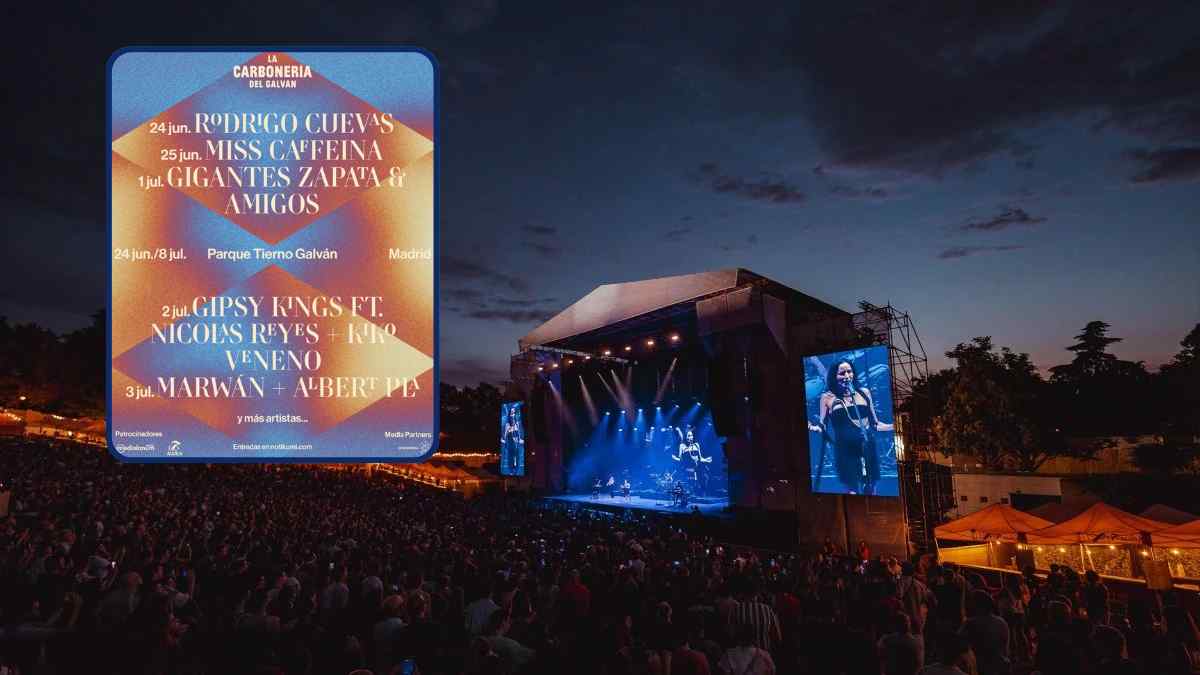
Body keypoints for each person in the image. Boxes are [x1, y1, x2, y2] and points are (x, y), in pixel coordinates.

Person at [807, 358, 894, 495]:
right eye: (842, 373)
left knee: (871, 489)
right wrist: (814, 428)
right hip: (845, 449)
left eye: (849, 372)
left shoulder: (864, 393)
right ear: (834, 376)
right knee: (852, 491)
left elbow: (876, 424)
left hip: (866, 447)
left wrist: (894, 426)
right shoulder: (828, 398)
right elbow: (822, 425)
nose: (847, 376)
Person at [960, 590, 1009, 675]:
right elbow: (1005, 647)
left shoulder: (970, 623)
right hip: (1000, 663)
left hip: (980, 665)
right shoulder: (1001, 622)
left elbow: (958, 643)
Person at [672, 426, 713, 496]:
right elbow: (680, 459)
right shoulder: (682, 446)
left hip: (698, 468)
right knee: (691, 482)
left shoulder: (696, 445)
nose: (689, 437)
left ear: (693, 437)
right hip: (688, 469)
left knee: (705, 477)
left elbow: (700, 458)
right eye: (688, 436)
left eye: (690, 436)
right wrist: (675, 458)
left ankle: (702, 492)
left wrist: (707, 460)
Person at [502, 405, 524, 474]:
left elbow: (519, 431)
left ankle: (515, 468)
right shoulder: (507, 424)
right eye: (512, 412)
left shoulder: (517, 423)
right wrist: (504, 438)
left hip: (516, 439)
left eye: (514, 412)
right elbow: (505, 432)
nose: (513, 414)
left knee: (516, 454)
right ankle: (511, 469)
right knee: (511, 454)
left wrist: (520, 438)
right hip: (510, 440)